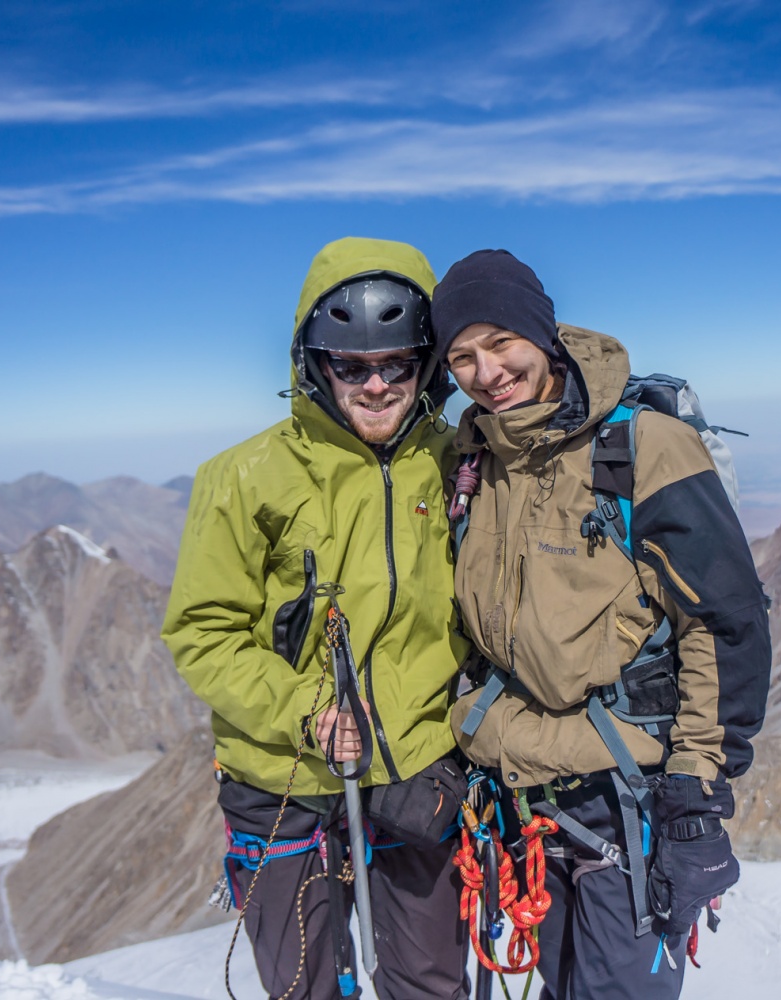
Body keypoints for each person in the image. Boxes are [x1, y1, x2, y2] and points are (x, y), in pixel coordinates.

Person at [433, 250, 770, 999]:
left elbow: (722, 622)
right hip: (519, 797)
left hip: (627, 800)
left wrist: (697, 796)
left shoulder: (645, 448)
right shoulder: (475, 459)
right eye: (462, 357)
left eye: (501, 343)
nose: (487, 372)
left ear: (542, 334)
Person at [163, 237, 470, 1000]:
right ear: (315, 364)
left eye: (398, 363)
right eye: (352, 366)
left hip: (417, 764)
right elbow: (203, 631)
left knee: (431, 985)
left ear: (428, 363)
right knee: (303, 988)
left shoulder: (460, 461)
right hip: (283, 775)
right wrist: (309, 710)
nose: (377, 385)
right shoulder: (242, 478)